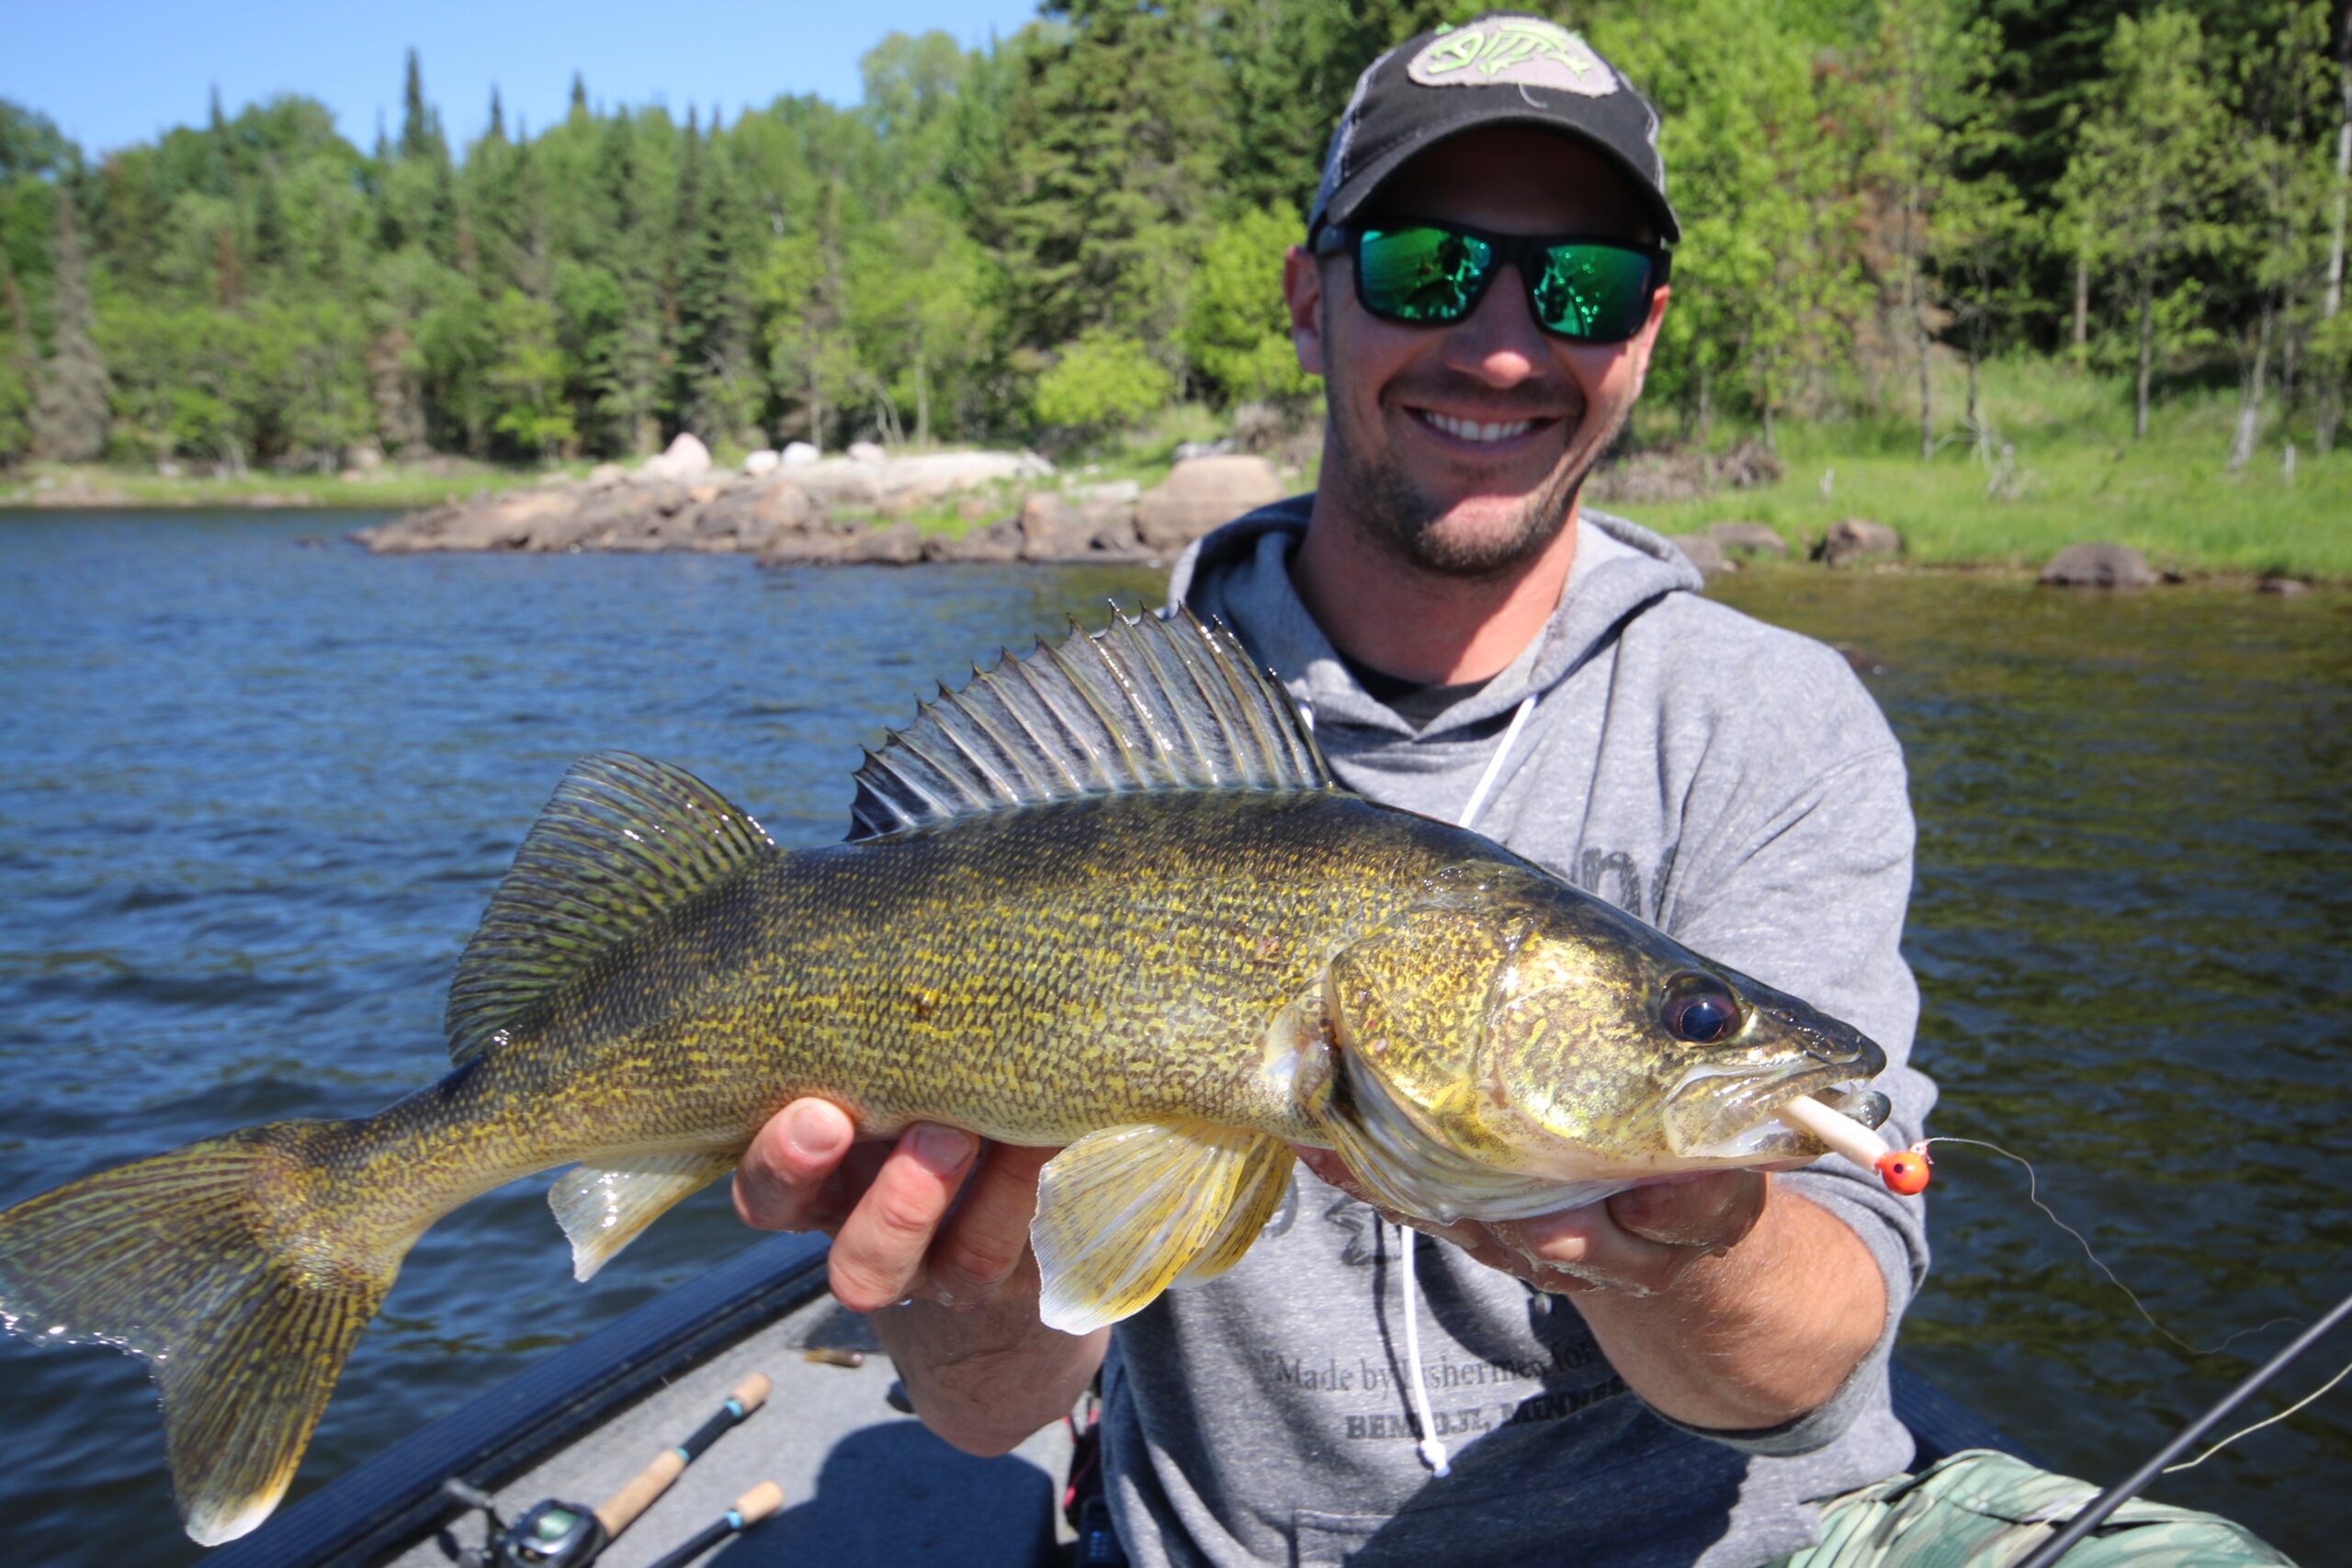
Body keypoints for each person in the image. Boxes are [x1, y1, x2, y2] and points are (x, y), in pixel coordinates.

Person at [732, 16, 2289, 1566]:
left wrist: (1677, 1255)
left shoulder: (1773, 722)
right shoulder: (1061, 773)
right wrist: (974, 1292)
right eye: (1424, 264)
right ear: (1308, 295)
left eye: (1581, 285)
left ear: (1647, 334)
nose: (1498, 342)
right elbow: (989, 1412)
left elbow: (1810, 1373)